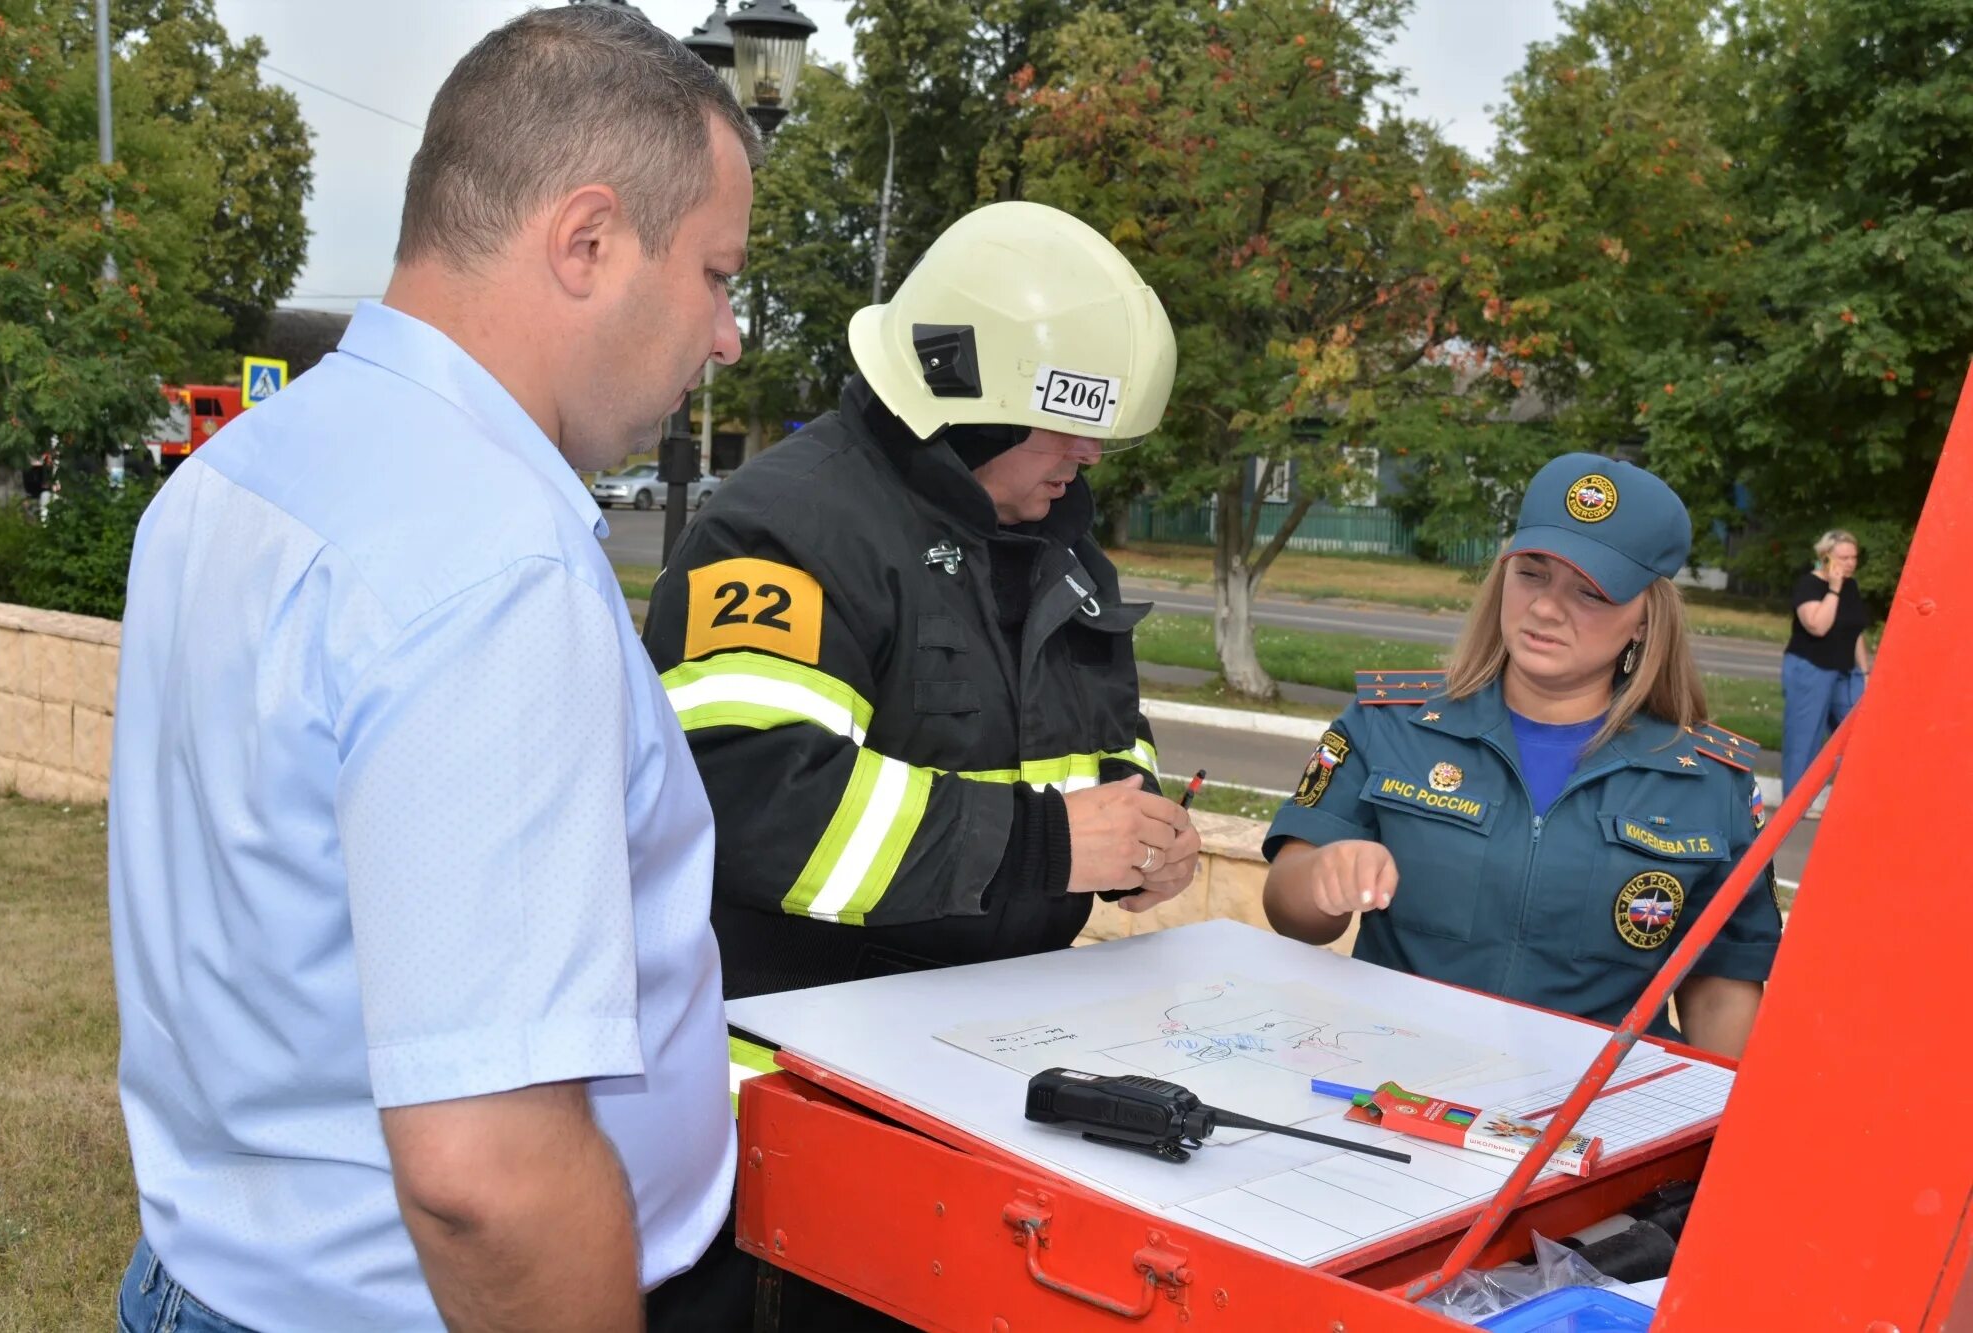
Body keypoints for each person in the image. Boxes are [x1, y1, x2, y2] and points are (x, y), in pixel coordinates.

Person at [108, 9, 759, 1331]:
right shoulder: (490, 563)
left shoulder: (240, 471)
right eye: (717, 274)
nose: (729, 334)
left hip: (219, 1271)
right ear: (586, 242)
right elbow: (487, 1176)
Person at [641, 200, 1199, 1329]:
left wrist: (1138, 826)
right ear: (969, 404)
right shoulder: (784, 532)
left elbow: (1095, 742)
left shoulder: (1051, 534)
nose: (1087, 459)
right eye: (1064, 431)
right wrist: (1050, 841)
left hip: (975, 1075)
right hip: (786, 1108)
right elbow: (754, 804)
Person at [1261, 454, 1781, 1059]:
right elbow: (1287, 903)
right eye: (1531, 574)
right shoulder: (1389, 725)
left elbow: (1720, 985)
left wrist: (1722, 1136)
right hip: (1396, 1086)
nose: (1546, 608)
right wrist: (1324, 880)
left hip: (1590, 1116)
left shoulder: (1710, 783)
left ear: (1644, 620)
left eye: (1590, 592)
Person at [1781, 529, 1870, 818]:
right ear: (1826, 556)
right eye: (1844, 557)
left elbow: (1855, 632)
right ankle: (1795, 805)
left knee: (1859, 736)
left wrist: (1865, 671)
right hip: (1811, 668)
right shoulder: (1809, 585)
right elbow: (1817, 625)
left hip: (1846, 672)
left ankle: (1853, 801)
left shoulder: (1852, 587)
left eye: (1854, 557)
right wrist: (1833, 588)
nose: (1850, 563)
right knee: (1804, 738)